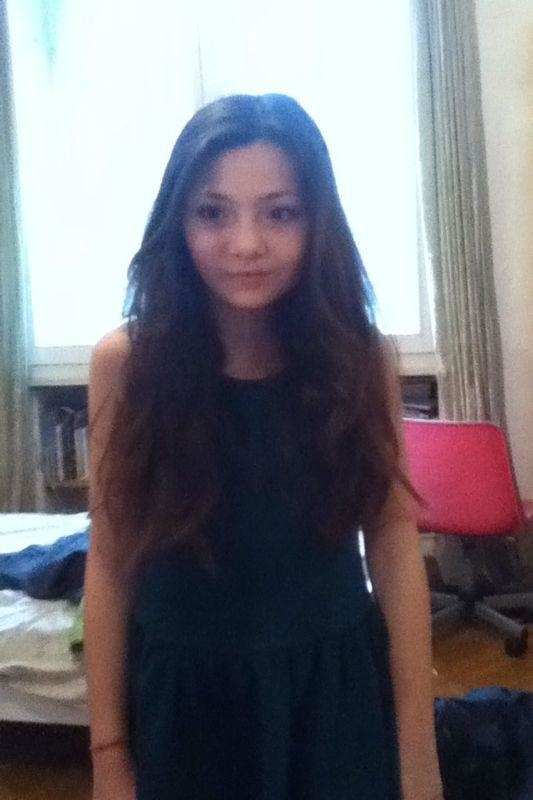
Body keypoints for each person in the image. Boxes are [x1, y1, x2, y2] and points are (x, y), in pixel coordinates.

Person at [84, 93, 443, 800]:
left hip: (334, 695)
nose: (246, 244)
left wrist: (418, 752)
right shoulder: (126, 365)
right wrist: (108, 754)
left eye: (279, 213)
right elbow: (110, 561)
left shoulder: (361, 359)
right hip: (185, 704)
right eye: (213, 213)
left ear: (316, 222)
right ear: (178, 222)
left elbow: (394, 547)